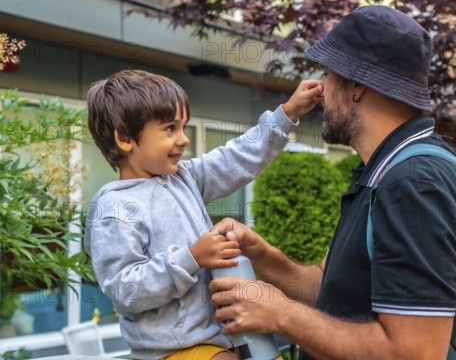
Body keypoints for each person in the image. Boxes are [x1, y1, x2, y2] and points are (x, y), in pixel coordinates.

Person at [209, 5, 456, 360]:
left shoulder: (414, 184)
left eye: (328, 73)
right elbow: (331, 291)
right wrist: (263, 257)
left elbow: (414, 352)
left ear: (356, 87)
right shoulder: (384, 172)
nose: (321, 87)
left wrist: (281, 314)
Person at [83, 69, 323, 360]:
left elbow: (235, 157)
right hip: (172, 349)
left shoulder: (182, 178)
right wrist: (192, 257)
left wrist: (286, 114)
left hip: (221, 336)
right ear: (124, 138)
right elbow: (125, 289)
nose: (184, 139)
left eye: (183, 127)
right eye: (170, 128)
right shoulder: (115, 208)